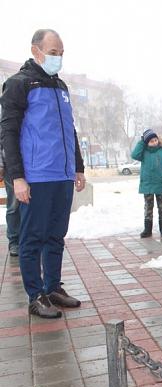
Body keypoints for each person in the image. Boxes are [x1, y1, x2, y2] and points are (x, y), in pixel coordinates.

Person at [0, 29, 86, 318]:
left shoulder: (60, 86)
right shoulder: (18, 84)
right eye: (53, 52)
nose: (58, 58)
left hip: (61, 175)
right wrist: (17, 177)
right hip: (36, 175)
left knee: (55, 235)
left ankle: (52, 288)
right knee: (32, 237)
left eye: (61, 53)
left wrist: (78, 167)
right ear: (36, 50)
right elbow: (8, 134)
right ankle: (35, 295)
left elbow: (69, 130)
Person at [132, 129, 162, 238]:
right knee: (148, 207)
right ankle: (147, 229)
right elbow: (134, 155)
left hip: (160, 183)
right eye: (151, 141)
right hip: (147, 185)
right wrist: (142, 141)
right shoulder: (143, 153)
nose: (154, 142)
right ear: (147, 143)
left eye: (155, 140)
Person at [0, 148, 20, 257]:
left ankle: (32, 238)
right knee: (14, 205)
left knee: (34, 204)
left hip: (33, 163)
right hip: (11, 163)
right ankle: (14, 241)